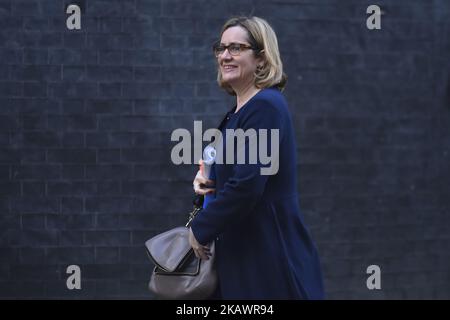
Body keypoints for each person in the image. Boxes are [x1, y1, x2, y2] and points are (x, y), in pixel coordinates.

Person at [189, 16, 325, 299]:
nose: (225, 55)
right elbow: (232, 173)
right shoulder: (236, 113)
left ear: (261, 59)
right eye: (221, 47)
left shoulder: (265, 107)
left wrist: (200, 229)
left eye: (236, 48)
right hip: (241, 253)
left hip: (266, 258)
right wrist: (206, 179)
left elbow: (248, 184)